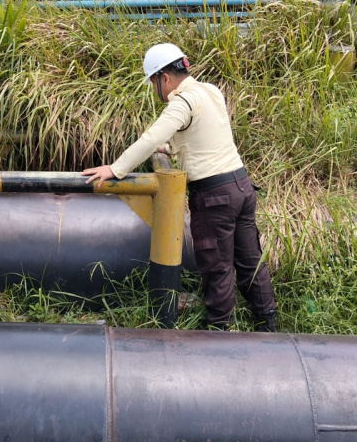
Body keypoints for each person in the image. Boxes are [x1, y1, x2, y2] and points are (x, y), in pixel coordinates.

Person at [82, 44, 277, 332]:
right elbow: (202, 134)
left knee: (218, 267)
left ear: (164, 78)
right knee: (250, 261)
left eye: (152, 83)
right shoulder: (210, 90)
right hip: (241, 185)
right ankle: (268, 326)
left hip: (215, 196)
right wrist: (172, 148)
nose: (154, 90)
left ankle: (220, 333)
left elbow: (150, 138)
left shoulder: (182, 102)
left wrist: (115, 169)